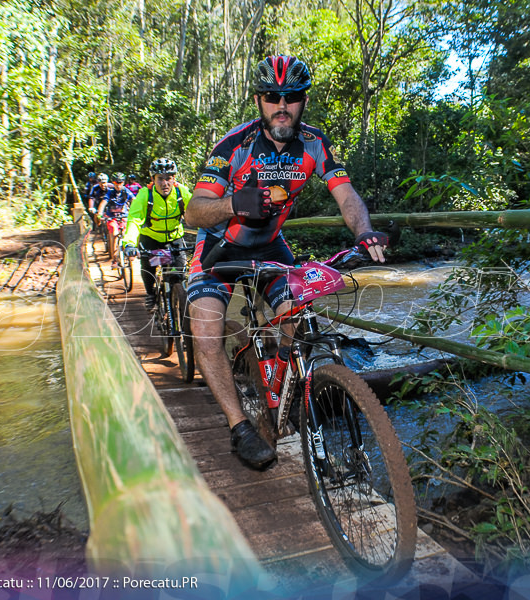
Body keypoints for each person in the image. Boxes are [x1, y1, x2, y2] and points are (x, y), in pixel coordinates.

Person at [183, 54, 388, 471]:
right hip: (221, 250)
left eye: (291, 97)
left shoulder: (314, 143)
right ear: (258, 100)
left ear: (303, 101)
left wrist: (363, 232)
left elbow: (346, 195)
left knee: (298, 321)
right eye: (272, 96)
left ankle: (284, 384)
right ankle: (240, 426)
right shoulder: (234, 146)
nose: (282, 105)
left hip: (272, 246)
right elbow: (193, 212)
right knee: (206, 329)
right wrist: (232, 203)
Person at [121, 158, 194, 310]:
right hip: (152, 238)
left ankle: (175, 299)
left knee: (179, 275)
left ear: (174, 179)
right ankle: (150, 294)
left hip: (174, 239)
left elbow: (198, 211)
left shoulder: (182, 193)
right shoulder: (144, 196)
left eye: (168, 178)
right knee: (149, 267)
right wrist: (129, 243)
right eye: (160, 179)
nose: (165, 183)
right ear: (153, 179)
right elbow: (134, 220)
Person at [98, 172, 133, 266]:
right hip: (112, 216)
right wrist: (100, 213)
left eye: (120, 183)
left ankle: (129, 253)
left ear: (123, 182)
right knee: (114, 232)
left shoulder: (126, 191)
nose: (118, 185)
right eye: (116, 183)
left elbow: (134, 200)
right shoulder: (110, 192)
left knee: (127, 232)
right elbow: (103, 203)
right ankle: (114, 259)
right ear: (113, 183)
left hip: (124, 216)